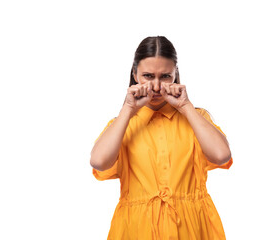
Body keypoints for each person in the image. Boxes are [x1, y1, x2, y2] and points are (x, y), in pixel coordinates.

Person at [90, 36, 233, 240]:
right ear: (134, 75)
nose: (156, 86)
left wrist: (185, 107)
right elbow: (98, 162)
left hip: (191, 229)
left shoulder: (195, 118)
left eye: (165, 76)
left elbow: (221, 155)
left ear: (176, 75)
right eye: (148, 76)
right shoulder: (123, 124)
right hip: (137, 230)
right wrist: (128, 109)